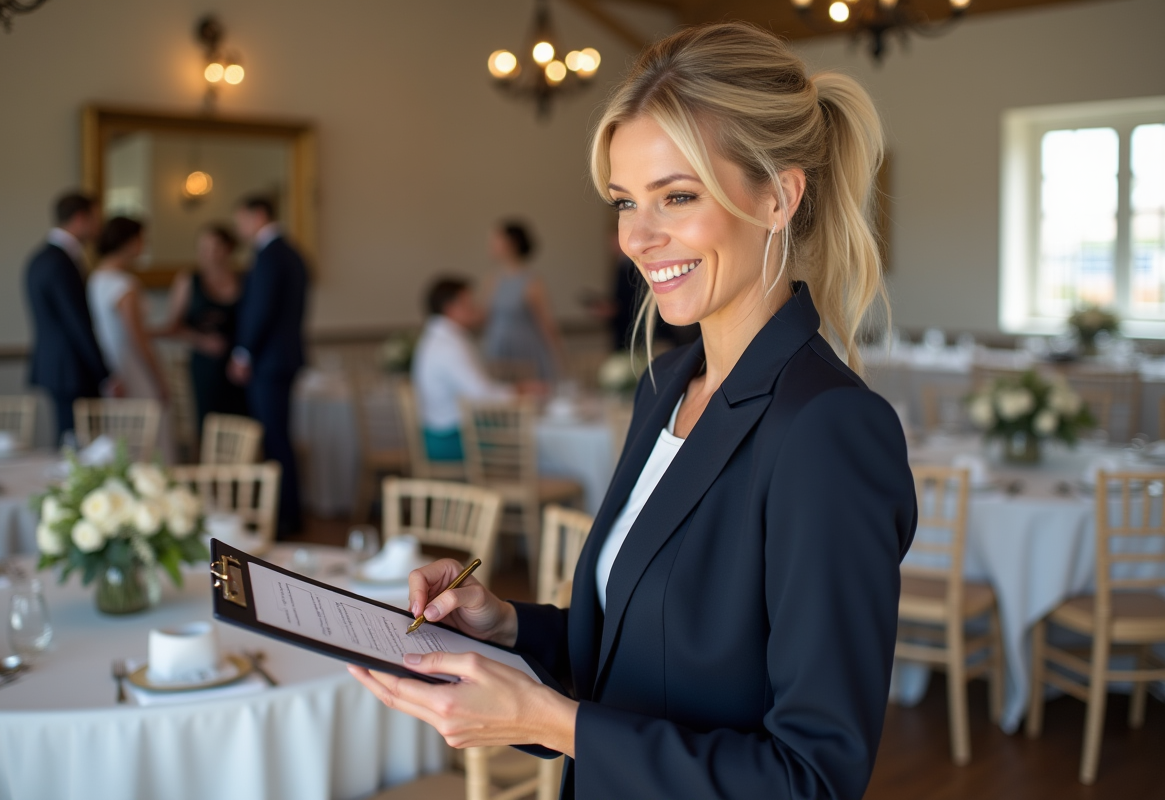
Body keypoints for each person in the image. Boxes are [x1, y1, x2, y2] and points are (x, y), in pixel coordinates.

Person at [349, 22, 917, 800]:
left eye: (677, 197)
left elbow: (811, 780)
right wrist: (507, 625)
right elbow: (637, 652)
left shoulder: (828, 428)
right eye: (625, 202)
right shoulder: (666, 387)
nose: (637, 238)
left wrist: (553, 722)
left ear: (779, 197)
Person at [228, 195, 307, 537]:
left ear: (258, 214)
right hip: (282, 358)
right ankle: (286, 512)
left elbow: (260, 310)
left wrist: (243, 352)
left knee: (275, 439)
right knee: (278, 437)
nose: (239, 227)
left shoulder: (270, 254)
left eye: (241, 219)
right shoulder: (291, 252)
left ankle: (285, 517)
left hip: (269, 362)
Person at [24, 191, 117, 444]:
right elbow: (78, 323)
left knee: (72, 441)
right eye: (95, 219)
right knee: (79, 445)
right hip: (73, 369)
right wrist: (104, 374)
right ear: (80, 218)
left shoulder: (40, 258)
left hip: (57, 367)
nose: (98, 226)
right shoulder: (60, 262)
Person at [86, 216, 174, 461]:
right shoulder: (124, 285)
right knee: (149, 432)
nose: (144, 246)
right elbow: (138, 338)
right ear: (128, 242)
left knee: (124, 434)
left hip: (112, 366)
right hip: (133, 367)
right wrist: (159, 378)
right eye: (141, 240)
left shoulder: (95, 279)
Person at [412, 277, 515, 462]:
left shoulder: (434, 337)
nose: (475, 309)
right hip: (449, 439)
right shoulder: (449, 345)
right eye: (469, 304)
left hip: (435, 435)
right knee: (525, 440)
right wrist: (520, 392)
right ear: (450, 308)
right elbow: (482, 395)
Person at [162, 224, 248, 438]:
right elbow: (173, 326)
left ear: (228, 249)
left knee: (243, 425)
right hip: (205, 365)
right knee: (208, 425)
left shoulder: (245, 279)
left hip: (239, 362)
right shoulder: (189, 280)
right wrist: (202, 341)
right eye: (204, 248)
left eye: (215, 248)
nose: (209, 254)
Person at [481, 220, 563, 383]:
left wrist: (559, 360)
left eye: (496, 240)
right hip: (498, 347)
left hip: (524, 349)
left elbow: (546, 324)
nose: (491, 245)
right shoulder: (493, 280)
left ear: (511, 243)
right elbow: (482, 315)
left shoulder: (532, 281)